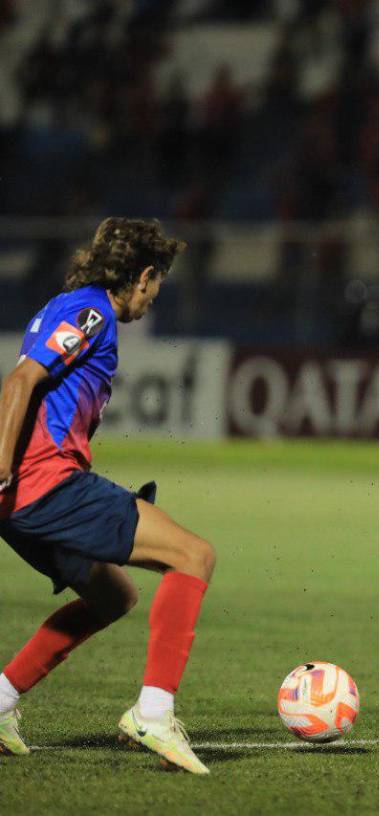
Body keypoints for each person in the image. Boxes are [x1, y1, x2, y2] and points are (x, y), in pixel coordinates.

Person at [0, 219, 215, 774]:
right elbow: (20, 381)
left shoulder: (67, 304)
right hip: (44, 487)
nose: (156, 294)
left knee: (112, 597)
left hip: (23, 500)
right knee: (193, 556)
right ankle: (154, 712)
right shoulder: (91, 314)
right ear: (144, 276)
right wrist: (3, 468)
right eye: (158, 282)